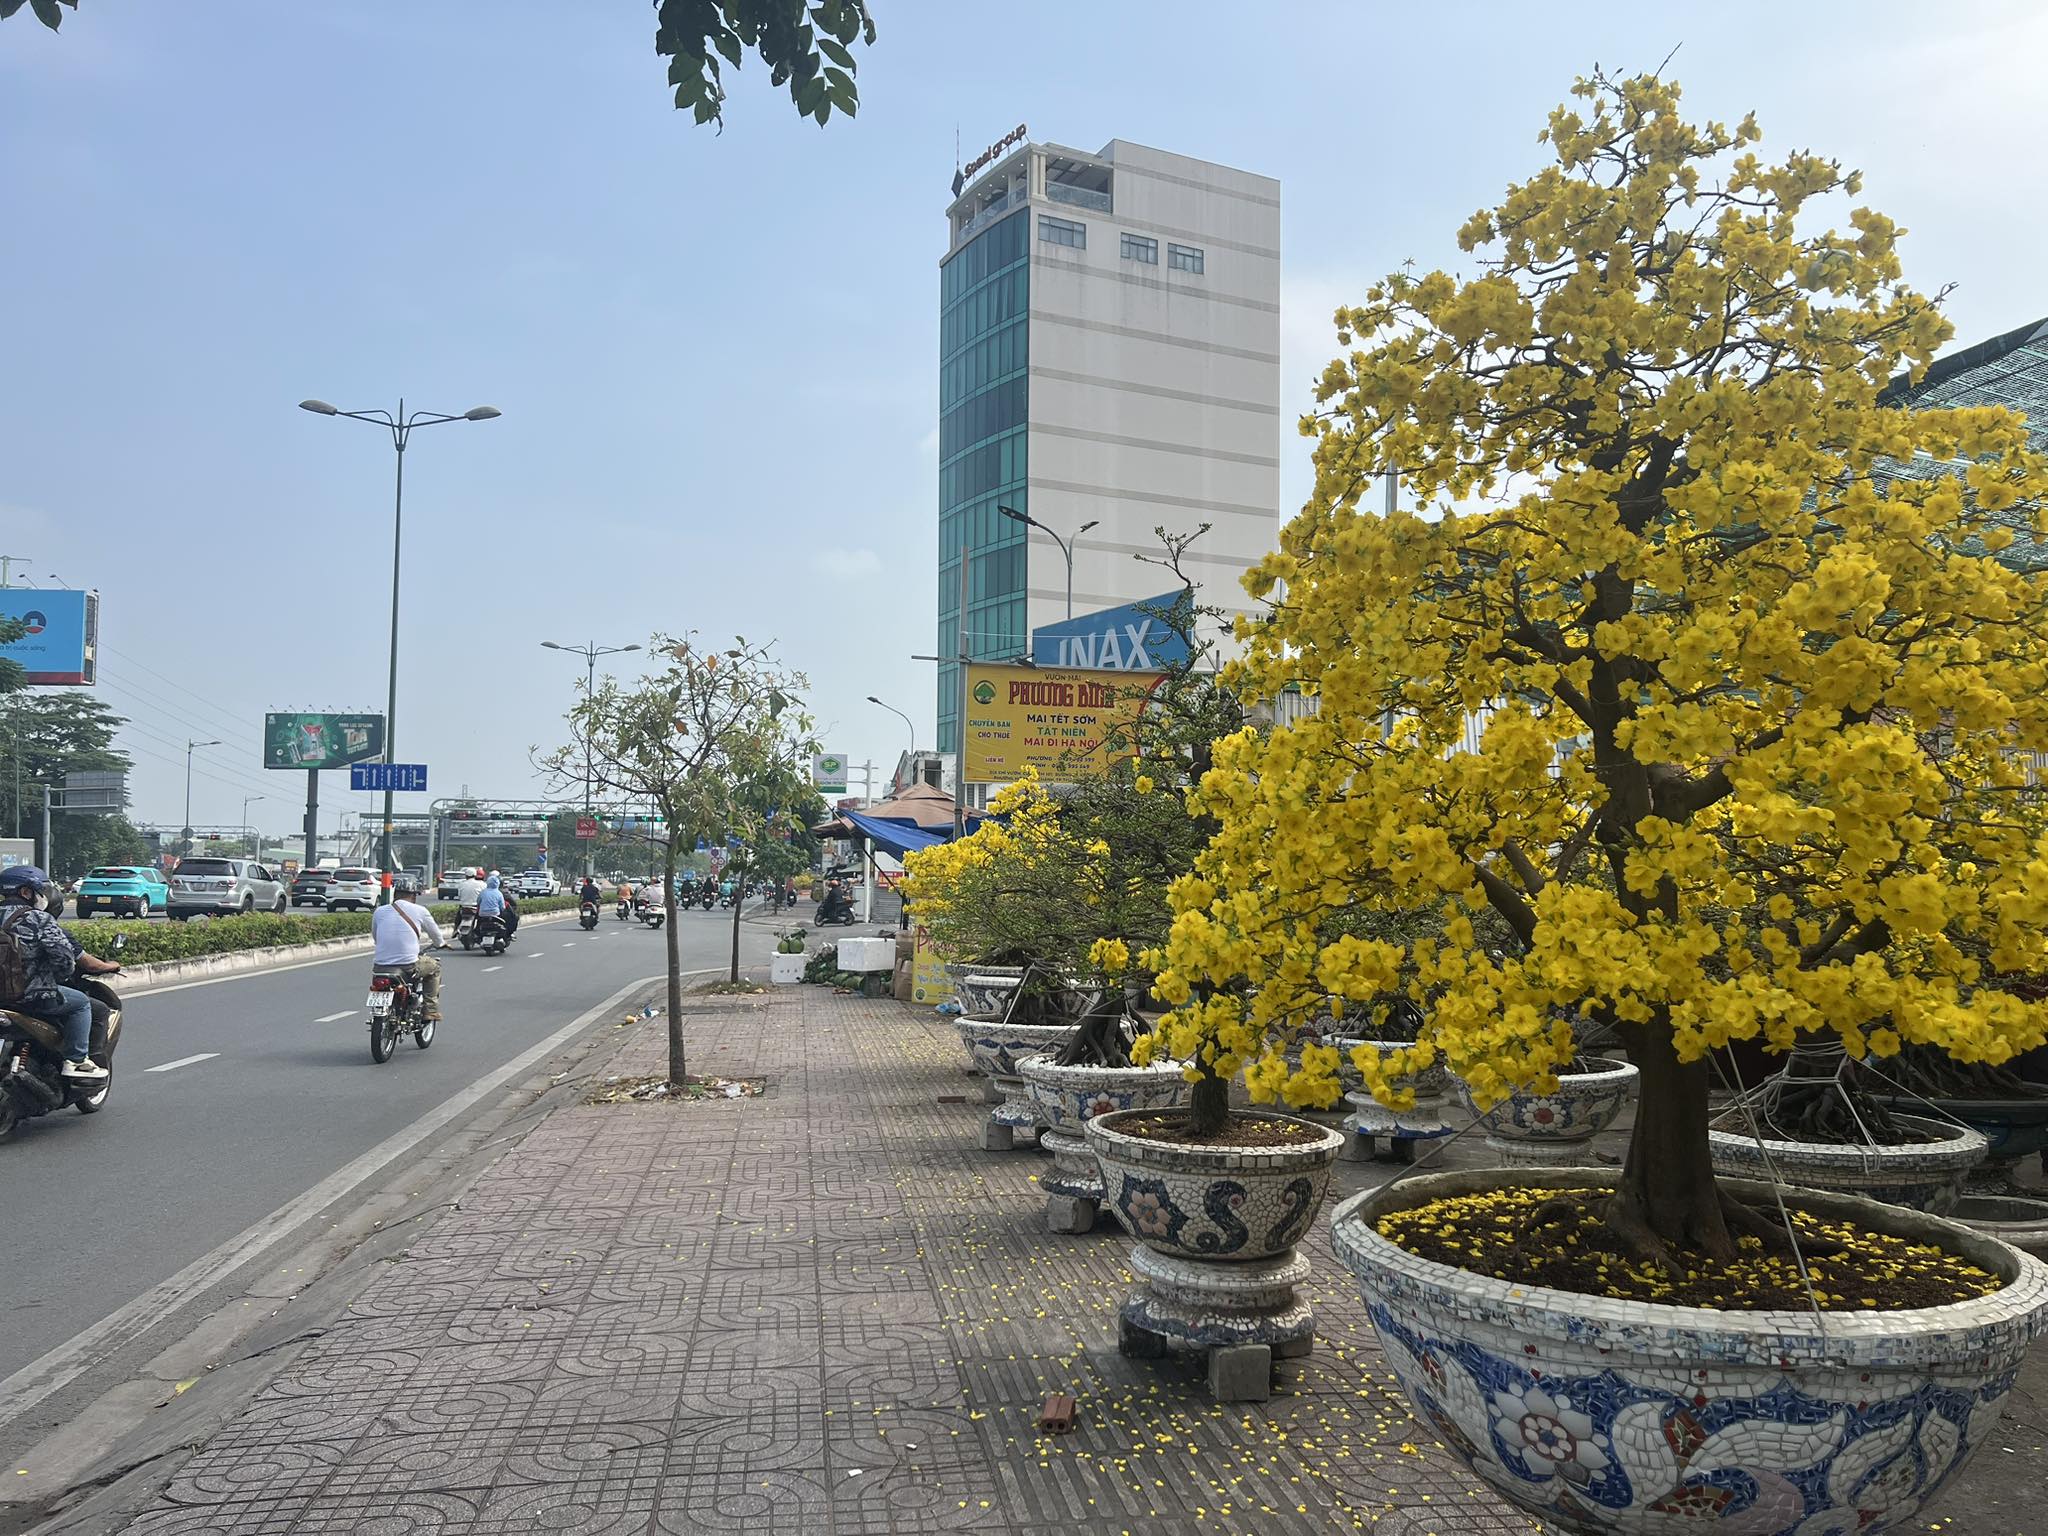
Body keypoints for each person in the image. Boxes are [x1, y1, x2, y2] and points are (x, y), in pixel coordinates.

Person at [0, 865, 117, 1080]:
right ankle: (77, 1061)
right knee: (81, 1004)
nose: (42, 896)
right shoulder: (38, 918)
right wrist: (57, 977)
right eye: (39, 891)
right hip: (32, 996)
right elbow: (64, 959)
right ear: (25, 892)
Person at [370, 874, 447, 1020]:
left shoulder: (379, 911)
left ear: (395, 894)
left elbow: (376, 937)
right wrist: (440, 944)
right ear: (413, 895)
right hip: (408, 966)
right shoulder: (420, 910)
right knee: (435, 967)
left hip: (379, 967)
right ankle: (430, 1010)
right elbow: (436, 935)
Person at [476, 871, 508, 935]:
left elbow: (478, 902)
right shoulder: (499, 893)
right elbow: (502, 907)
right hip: (495, 914)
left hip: (482, 914)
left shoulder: (483, 892)